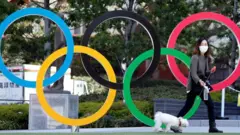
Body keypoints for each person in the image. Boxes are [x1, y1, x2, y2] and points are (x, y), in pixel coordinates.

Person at [171, 37, 223, 133]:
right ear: (198, 46)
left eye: (206, 44)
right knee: (194, 106)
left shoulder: (206, 58)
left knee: (200, 105)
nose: (204, 46)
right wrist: (200, 81)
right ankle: (175, 125)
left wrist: (210, 71)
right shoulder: (195, 57)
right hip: (195, 86)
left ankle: (212, 127)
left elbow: (205, 74)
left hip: (202, 86)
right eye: (203, 44)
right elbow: (193, 73)